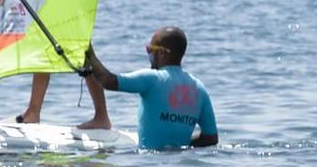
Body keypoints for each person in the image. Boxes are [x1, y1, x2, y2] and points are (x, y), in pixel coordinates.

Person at [83, 26, 218, 149]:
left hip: (148, 166)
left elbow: (108, 81)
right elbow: (211, 138)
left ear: (162, 54)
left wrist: (88, 51)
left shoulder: (152, 79)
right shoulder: (199, 88)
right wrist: (180, 145)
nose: (149, 54)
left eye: (150, 50)